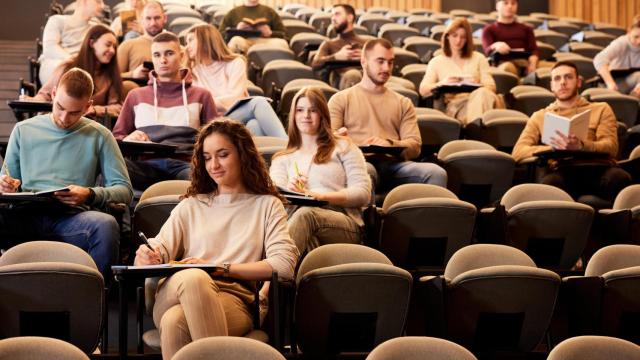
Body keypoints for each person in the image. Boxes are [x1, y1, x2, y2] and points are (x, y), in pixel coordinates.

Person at [133, 119, 298, 360]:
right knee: (193, 276)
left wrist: (222, 269)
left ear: (243, 155)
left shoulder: (267, 205)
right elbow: (160, 248)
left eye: (222, 155)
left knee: (174, 322)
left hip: (236, 300)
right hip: (175, 292)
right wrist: (146, 256)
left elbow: (284, 266)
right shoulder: (191, 205)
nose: (214, 165)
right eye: (207, 157)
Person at [0, 68, 133, 277]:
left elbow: (124, 190)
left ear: (88, 106)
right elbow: (7, 179)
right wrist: (5, 184)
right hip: (25, 214)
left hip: (71, 218)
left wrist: (90, 194)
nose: (64, 117)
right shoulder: (23, 130)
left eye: (74, 112)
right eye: (60, 107)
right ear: (53, 94)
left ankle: (95, 299)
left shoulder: (100, 135)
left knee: (106, 225)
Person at [329, 38, 447, 190]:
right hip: (358, 164)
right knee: (366, 171)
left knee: (436, 173)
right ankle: (364, 214)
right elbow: (328, 139)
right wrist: (342, 140)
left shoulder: (403, 102)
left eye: (390, 62)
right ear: (364, 62)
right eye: (380, 61)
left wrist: (390, 143)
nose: (386, 68)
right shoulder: (340, 99)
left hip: (395, 165)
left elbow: (414, 145)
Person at [270, 87, 370, 254]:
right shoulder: (282, 158)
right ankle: (287, 278)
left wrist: (321, 196)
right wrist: (290, 188)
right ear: (293, 115)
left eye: (313, 110)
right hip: (297, 221)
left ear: (322, 114)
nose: (306, 116)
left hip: (342, 221)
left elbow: (363, 194)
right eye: (300, 110)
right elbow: (275, 199)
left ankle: (272, 276)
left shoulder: (344, 147)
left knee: (306, 215)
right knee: (309, 242)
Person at [112, 32, 217, 190]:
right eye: (157, 55)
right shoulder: (136, 96)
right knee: (107, 166)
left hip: (185, 165)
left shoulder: (202, 95)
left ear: (181, 56)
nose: (163, 60)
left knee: (202, 178)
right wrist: (128, 138)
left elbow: (216, 138)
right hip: (144, 166)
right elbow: (116, 138)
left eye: (169, 53)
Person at [512, 61, 631, 201]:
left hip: (597, 168)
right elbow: (518, 151)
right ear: (551, 85)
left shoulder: (601, 108)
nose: (562, 82)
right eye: (557, 78)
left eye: (568, 77)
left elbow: (611, 147)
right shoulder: (540, 116)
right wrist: (553, 148)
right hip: (560, 170)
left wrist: (581, 146)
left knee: (620, 178)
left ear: (579, 82)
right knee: (550, 184)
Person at [184, 24, 287, 138]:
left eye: (190, 40)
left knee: (255, 125)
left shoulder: (235, 63)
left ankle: (273, 153)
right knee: (258, 102)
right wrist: (210, 102)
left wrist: (208, 100)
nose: (187, 47)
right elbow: (197, 105)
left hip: (233, 115)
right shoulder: (191, 71)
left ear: (205, 39)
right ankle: (290, 149)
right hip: (210, 120)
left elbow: (235, 98)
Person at [24, 25, 124, 118]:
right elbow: (45, 94)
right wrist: (32, 100)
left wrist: (95, 109)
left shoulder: (110, 75)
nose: (112, 51)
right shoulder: (67, 67)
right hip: (61, 120)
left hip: (90, 125)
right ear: (91, 43)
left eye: (114, 47)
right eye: (108, 45)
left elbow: (117, 107)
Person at [419, 18, 501, 124]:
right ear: (447, 36)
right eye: (454, 36)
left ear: (467, 40)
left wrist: (477, 84)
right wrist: (442, 83)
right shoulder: (436, 61)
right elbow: (423, 90)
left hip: (482, 100)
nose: (458, 41)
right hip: (456, 106)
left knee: (483, 94)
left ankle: (475, 132)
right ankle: (478, 132)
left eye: (463, 37)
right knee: (485, 100)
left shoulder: (479, 58)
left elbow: (491, 87)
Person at [39, 0, 104, 84]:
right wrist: (73, 60)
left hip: (83, 69)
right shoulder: (57, 20)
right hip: (58, 65)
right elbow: (49, 48)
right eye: (98, 1)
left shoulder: (96, 27)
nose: (102, 6)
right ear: (84, 1)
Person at [311, 4, 366, 90]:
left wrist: (366, 57)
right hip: (342, 81)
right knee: (353, 75)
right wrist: (336, 56)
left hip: (366, 78)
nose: (333, 18)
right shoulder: (328, 44)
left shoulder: (366, 43)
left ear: (350, 17)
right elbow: (315, 63)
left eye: (337, 14)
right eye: (332, 15)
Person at [481, 0, 539, 76]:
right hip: (503, 63)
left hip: (525, 62)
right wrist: (495, 45)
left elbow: (534, 50)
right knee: (507, 67)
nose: (510, 6)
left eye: (513, 3)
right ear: (497, 6)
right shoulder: (488, 29)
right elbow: (487, 51)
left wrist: (533, 63)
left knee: (554, 68)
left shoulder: (527, 28)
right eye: (506, 3)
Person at [117, 0, 167, 80]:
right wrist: (133, 74)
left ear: (165, 18)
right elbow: (112, 76)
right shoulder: (127, 45)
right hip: (135, 88)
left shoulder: (176, 47)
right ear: (142, 19)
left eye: (157, 18)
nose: (153, 23)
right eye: (148, 18)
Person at [593, 15, 640, 99]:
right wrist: (610, 83)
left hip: (634, 86)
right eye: (636, 37)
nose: (639, 41)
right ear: (629, 32)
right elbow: (599, 59)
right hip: (612, 84)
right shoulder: (621, 43)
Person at [219, 0, 287, 55]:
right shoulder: (233, 13)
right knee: (235, 41)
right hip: (243, 41)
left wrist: (270, 33)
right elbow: (221, 34)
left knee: (282, 43)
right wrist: (237, 30)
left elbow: (283, 33)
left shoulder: (270, 11)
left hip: (265, 41)